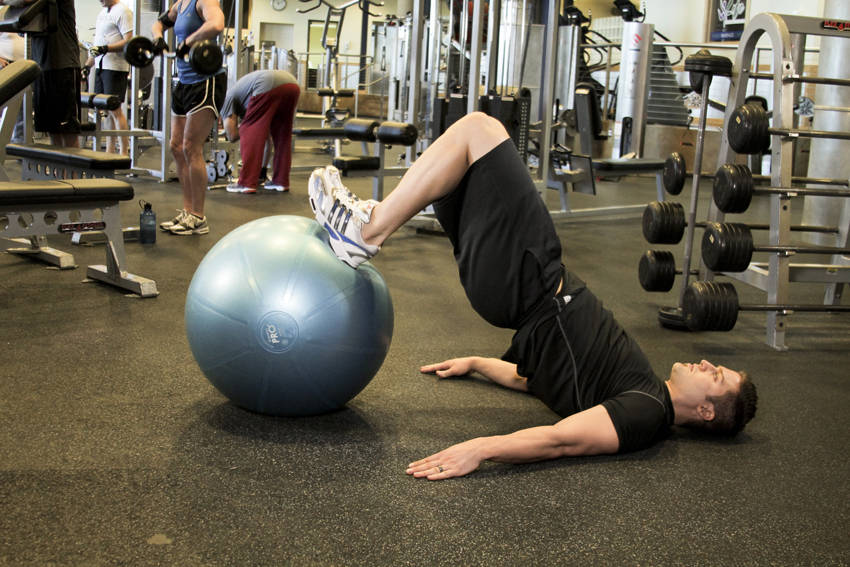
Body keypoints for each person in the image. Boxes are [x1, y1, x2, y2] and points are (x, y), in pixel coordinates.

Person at [307, 112, 758, 481]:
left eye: (715, 376)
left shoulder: (646, 413)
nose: (705, 364)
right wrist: (480, 364)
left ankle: (367, 230)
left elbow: (562, 439)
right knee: (455, 177)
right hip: (517, 287)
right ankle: (371, 220)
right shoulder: (637, 387)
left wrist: (481, 450)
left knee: (480, 130)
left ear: (703, 410)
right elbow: (543, 379)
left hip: (532, 280)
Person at [152, 0, 225, 236]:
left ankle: (198, 216)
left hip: (205, 81)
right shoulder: (179, 4)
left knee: (191, 147)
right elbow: (160, 22)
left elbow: (217, 24)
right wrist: (157, 37)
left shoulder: (204, 1)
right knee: (176, 146)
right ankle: (187, 211)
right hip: (183, 81)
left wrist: (188, 41)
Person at [0, 0, 82, 147]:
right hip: (42, 65)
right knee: (52, 128)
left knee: (67, 128)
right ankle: (58, 169)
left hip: (62, 64)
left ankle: (73, 170)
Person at [221, 69, 300, 194]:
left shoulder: (226, 99)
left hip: (268, 84)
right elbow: (266, 138)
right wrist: (262, 170)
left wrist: (246, 127)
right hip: (292, 85)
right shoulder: (241, 96)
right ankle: (280, 181)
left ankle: (246, 183)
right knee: (282, 134)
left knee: (249, 127)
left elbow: (232, 136)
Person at [85, 0, 133, 156]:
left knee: (115, 109)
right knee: (104, 109)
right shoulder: (102, 13)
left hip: (115, 67)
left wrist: (106, 48)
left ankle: (124, 152)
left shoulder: (123, 11)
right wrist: (87, 66)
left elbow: (128, 41)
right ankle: (110, 151)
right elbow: (97, 45)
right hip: (100, 66)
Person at [0, 8, 25, 142]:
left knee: (21, 107)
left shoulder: (27, 12)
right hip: (5, 64)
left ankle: (19, 143)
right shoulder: (3, 12)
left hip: (24, 66)